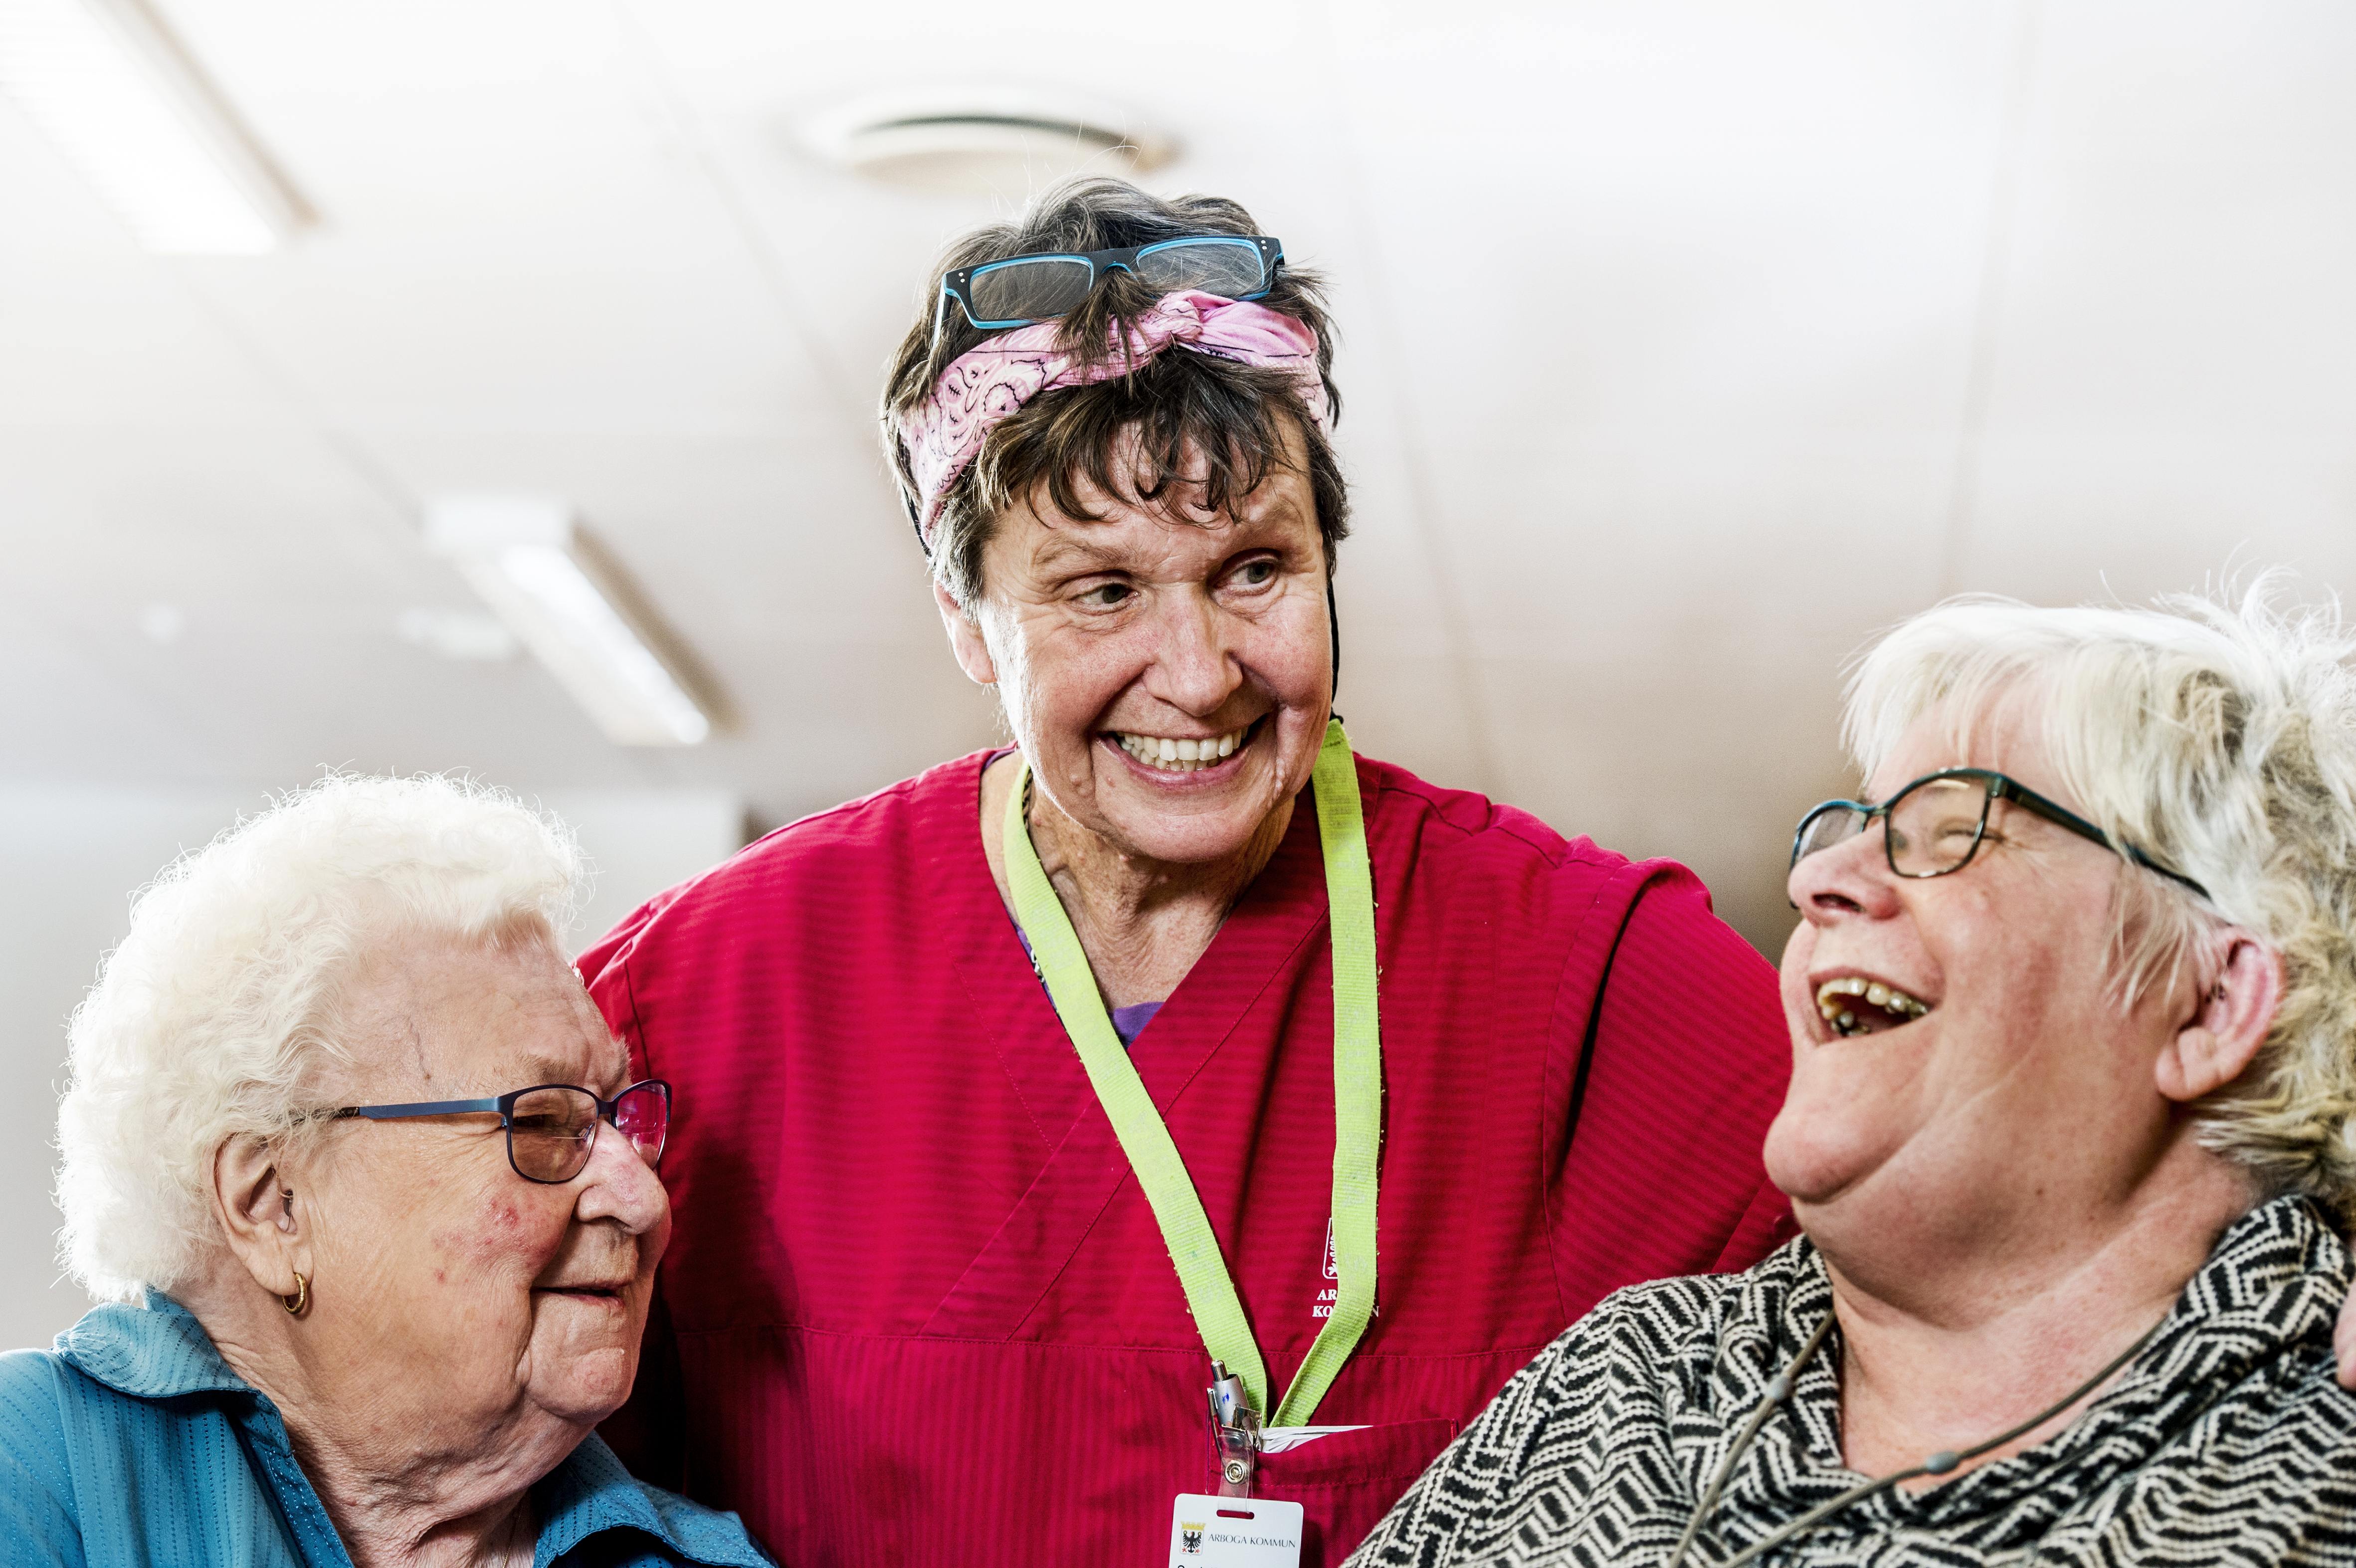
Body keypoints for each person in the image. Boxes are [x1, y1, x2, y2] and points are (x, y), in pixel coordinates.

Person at [582, 176, 1794, 1566]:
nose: (1202, 674)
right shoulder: (708, 998)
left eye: (1254, 571)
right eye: (1102, 590)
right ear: (969, 620)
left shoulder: (1590, 983)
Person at [1348, 587, 2356, 1566]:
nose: (1812, 883)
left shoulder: (2318, 1472)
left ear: (2211, 1003)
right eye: (1857, 829)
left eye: (1955, 830)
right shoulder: (1628, 1375)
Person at [0, 777, 774, 1568]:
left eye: (618, 1117)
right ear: (274, 1204)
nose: (644, 1200)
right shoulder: (32, 1478)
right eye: (540, 1122)